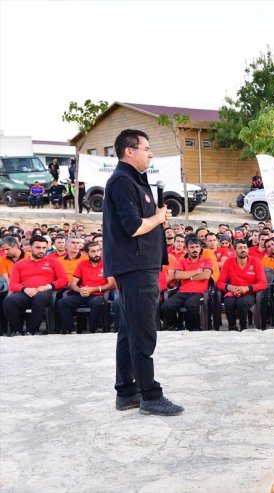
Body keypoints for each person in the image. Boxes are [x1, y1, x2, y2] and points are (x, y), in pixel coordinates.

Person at [103, 129, 182, 416]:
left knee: (128, 330)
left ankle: (126, 391)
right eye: (146, 148)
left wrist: (158, 217)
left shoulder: (133, 181)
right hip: (135, 268)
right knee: (143, 331)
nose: (150, 154)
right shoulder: (122, 182)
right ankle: (150, 394)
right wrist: (159, 218)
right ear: (129, 151)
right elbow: (134, 227)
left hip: (139, 266)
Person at [3, 235, 68, 336]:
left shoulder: (53, 262)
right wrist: (25, 289)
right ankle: (17, 331)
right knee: (9, 301)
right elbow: (13, 284)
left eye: (44, 248)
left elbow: (64, 280)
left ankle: (31, 331)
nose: (41, 250)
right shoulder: (19, 264)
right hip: (26, 293)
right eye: (38, 248)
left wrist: (48, 286)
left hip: (44, 292)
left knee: (40, 298)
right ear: (30, 247)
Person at [55, 241, 114, 334]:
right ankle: (72, 331)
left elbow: (112, 284)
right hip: (83, 293)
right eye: (93, 251)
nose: (97, 254)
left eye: (98, 250)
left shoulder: (106, 264)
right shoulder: (82, 264)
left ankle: (92, 331)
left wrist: (94, 289)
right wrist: (80, 290)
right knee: (62, 303)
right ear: (86, 253)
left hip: (98, 294)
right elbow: (73, 283)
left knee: (96, 303)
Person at [161, 235, 213, 331]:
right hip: (183, 292)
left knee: (191, 305)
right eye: (192, 247)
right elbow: (178, 275)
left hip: (199, 292)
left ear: (200, 248)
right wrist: (197, 271)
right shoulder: (183, 261)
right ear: (187, 248)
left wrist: (189, 276)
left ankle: (195, 328)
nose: (195, 249)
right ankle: (177, 326)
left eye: (197, 247)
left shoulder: (206, 261)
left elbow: (206, 275)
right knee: (166, 306)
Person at [217, 238, 267, 331]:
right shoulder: (229, 261)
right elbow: (220, 282)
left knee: (242, 303)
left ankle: (243, 327)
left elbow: (263, 283)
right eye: (240, 248)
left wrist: (247, 288)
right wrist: (228, 287)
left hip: (250, 292)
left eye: (245, 247)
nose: (243, 250)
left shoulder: (255, 261)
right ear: (235, 251)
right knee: (229, 303)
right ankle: (232, 327)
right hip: (234, 291)